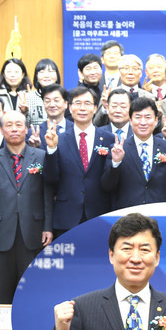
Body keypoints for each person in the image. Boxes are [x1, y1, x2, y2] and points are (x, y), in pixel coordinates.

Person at [0, 110, 53, 301]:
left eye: (19, 124)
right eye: (8, 125)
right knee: (2, 290)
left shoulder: (41, 156)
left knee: (32, 290)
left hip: (33, 232)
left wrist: (47, 227)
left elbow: (48, 194)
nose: (14, 129)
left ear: (26, 129)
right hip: (1, 232)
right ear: (1, 130)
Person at [45, 87, 115, 234]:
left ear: (95, 108)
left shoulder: (108, 138)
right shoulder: (59, 139)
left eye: (87, 103)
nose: (82, 108)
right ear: (70, 108)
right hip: (66, 216)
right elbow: (51, 178)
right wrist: (51, 150)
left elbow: (110, 179)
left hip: (99, 214)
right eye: (77, 103)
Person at [102, 97, 166, 209]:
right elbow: (107, 186)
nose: (143, 122)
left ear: (156, 120)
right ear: (130, 120)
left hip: (160, 213)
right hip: (128, 216)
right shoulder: (118, 149)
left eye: (148, 117)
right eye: (138, 117)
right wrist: (116, 163)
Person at [26, 59, 61, 126]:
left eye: (50, 71)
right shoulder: (28, 98)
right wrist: (24, 112)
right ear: (37, 77)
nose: (46, 75)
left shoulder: (64, 96)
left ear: (57, 76)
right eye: (42, 72)